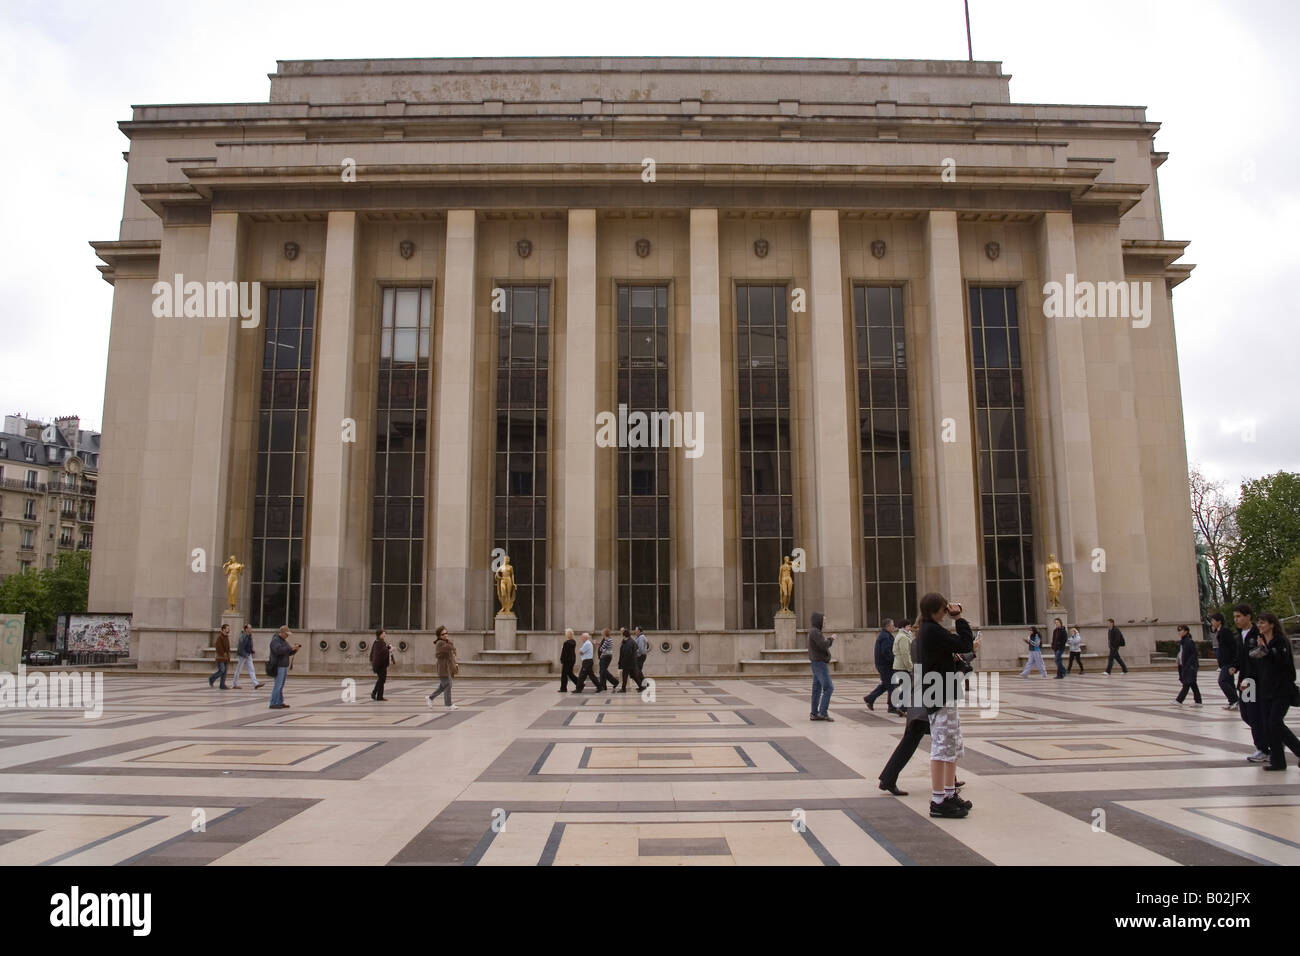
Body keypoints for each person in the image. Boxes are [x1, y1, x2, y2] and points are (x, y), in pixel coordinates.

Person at [918, 592, 979, 818]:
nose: (946, 613)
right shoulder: (932, 630)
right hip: (939, 694)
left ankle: (949, 793)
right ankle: (938, 799)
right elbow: (965, 643)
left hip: (943, 692)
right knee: (942, 747)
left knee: (951, 744)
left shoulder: (931, 630)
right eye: (944, 609)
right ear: (936, 610)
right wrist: (960, 618)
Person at [1255, 612, 1300, 771]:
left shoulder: (1280, 641)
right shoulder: (1263, 642)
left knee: (1275, 722)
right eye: (1259, 623)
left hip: (1282, 689)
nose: (1260, 625)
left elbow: (1279, 661)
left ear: (1272, 624)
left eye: (1263, 622)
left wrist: (1265, 650)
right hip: (1267, 690)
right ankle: (1278, 761)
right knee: (1269, 725)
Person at [1231, 604, 1269, 762]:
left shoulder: (1257, 634)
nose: (1236, 620)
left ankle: (1263, 748)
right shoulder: (1240, 635)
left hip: (1253, 682)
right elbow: (1242, 657)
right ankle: (1271, 741)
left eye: (1239, 616)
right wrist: (1235, 666)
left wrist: (1248, 680)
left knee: (1254, 715)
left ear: (1248, 617)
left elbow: (1258, 661)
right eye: (1235, 617)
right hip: (1244, 681)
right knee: (1246, 714)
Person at [864, 619, 898, 713]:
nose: (894, 627)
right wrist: (894, 660)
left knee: (885, 684)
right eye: (892, 625)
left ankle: (870, 698)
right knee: (891, 685)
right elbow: (886, 652)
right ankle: (892, 707)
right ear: (887, 626)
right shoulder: (885, 637)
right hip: (885, 665)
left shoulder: (886, 635)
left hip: (884, 664)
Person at [808, 611, 836, 721]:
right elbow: (823, 645)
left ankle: (814, 713)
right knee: (829, 687)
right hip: (819, 663)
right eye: (823, 620)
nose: (824, 622)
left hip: (817, 663)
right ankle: (823, 712)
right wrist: (831, 639)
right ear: (818, 621)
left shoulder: (814, 631)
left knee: (817, 689)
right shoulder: (815, 632)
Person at [268, 626, 301, 709]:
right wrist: (290, 648)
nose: (287, 636)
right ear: (282, 633)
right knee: (278, 685)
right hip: (278, 665)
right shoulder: (275, 641)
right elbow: (278, 651)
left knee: (281, 685)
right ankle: (273, 702)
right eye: (286, 634)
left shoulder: (283, 641)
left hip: (284, 665)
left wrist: (294, 650)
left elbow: (287, 652)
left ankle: (279, 701)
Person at [1211, 612, 1239, 710]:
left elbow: (1231, 646)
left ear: (1219, 621)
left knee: (1222, 681)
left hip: (1228, 662)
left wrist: (1233, 662)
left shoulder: (1225, 631)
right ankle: (1233, 702)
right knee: (1230, 682)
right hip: (1226, 662)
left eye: (1213, 621)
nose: (1212, 623)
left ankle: (1235, 700)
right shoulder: (1220, 631)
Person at [428, 626, 458, 710]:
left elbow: (452, 650)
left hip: (447, 667)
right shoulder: (440, 643)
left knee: (443, 686)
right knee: (448, 684)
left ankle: (430, 698)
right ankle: (448, 704)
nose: (445, 635)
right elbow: (441, 653)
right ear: (439, 635)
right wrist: (450, 646)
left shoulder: (445, 642)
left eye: (446, 633)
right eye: (443, 634)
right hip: (442, 667)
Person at [1173, 624, 1202, 704]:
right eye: (1178, 630)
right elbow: (1182, 653)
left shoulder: (1189, 641)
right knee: (1193, 684)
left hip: (1189, 667)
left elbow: (1194, 654)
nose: (1179, 632)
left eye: (1181, 630)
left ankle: (1179, 700)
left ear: (1186, 631)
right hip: (1185, 666)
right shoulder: (1183, 642)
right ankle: (1198, 701)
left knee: (1187, 683)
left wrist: (1189, 665)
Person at [891, 619, 914, 716]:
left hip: (899, 665)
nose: (910, 628)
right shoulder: (903, 637)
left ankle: (902, 708)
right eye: (909, 626)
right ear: (904, 627)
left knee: (904, 688)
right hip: (902, 666)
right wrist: (910, 666)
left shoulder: (901, 636)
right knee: (906, 688)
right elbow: (905, 653)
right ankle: (901, 707)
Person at [230, 624, 262, 690]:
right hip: (243, 655)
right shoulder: (243, 636)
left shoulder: (249, 636)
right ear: (246, 629)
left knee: (251, 669)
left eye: (251, 628)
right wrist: (244, 654)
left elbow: (249, 645)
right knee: (238, 669)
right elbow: (240, 647)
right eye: (250, 628)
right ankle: (234, 684)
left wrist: (251, 651)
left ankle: (255, 684)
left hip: (248, 654)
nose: (251, 629)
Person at [618, 627, 646, 693]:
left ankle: (623, 689)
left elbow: (627, 653)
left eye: (622, 634)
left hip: (628, 663)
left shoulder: (629, 643)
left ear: (624, 635)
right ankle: (641, 687)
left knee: (625, 675)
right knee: (633, 675)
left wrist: (622, 662)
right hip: (630, 662)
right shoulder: (629, 641)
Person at [370, 628, 393, 701]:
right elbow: (381, 653)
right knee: (381, 680)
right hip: (380, 665)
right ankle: (376, 694)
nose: (385, 634)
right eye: (383, 633)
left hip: (379, 664)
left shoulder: (378, 642)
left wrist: (388, 647)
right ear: (380, 635)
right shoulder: (379, 643)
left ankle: (377, 695)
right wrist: (390, 650)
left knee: (381, 680)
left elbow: (379, 651)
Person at [209, 623, 231, 689]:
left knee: (225, 671)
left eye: (229, 628)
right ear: (223, 629)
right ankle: (211, 678)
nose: (229, 630)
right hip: (221, 657)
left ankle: (222, 684)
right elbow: (218, 647)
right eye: (227, 628)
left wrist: (228, 655)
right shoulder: (220, 637)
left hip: (226, 657)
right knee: (222, 670)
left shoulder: (226, 637)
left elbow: (228, 648)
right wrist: (223, 653)